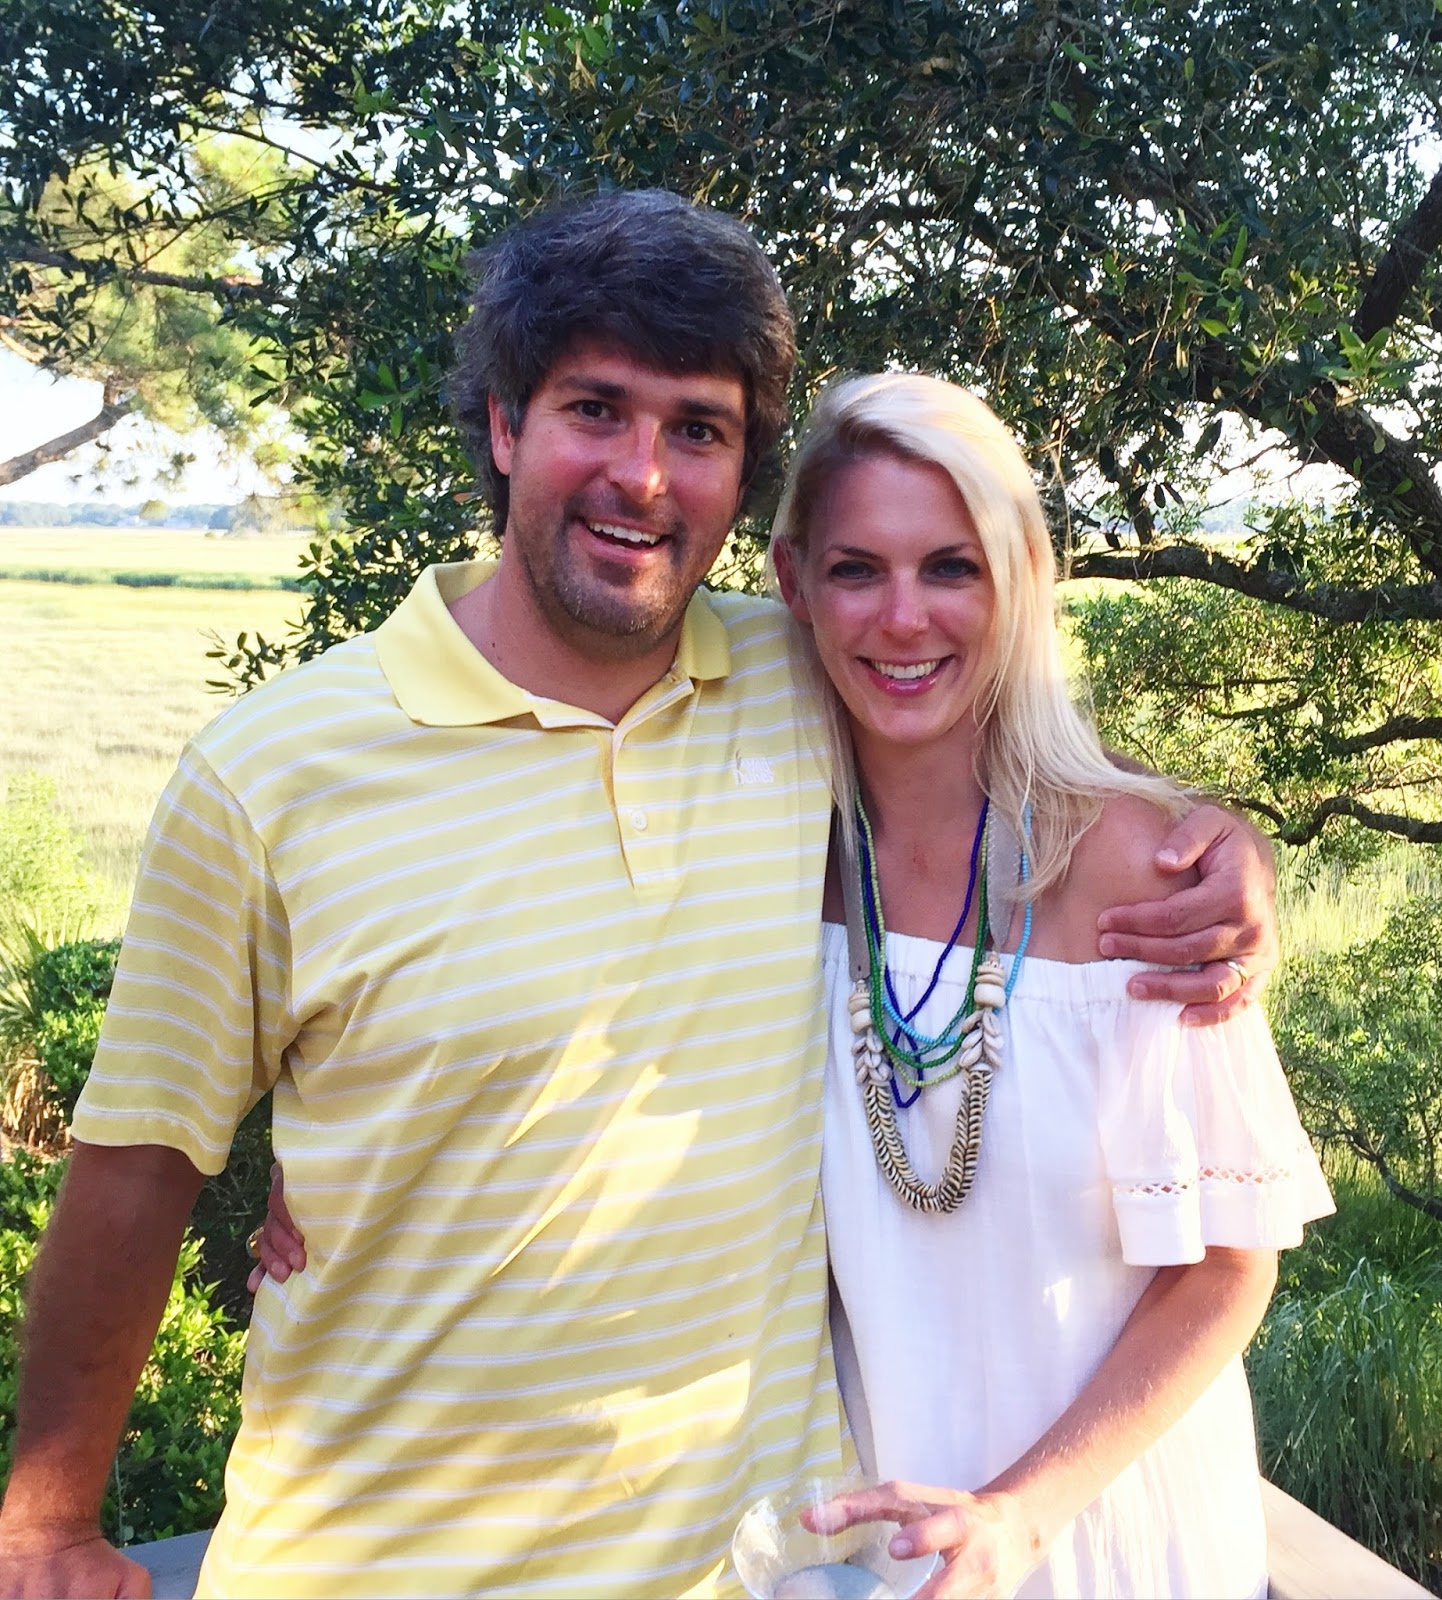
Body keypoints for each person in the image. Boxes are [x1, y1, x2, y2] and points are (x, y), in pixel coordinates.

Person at [0, 192, 1278, 1600]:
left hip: (749, 1566)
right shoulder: (270, 773)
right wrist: (49, 1523)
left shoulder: (793, 679)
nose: (645, 476)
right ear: (505, 424)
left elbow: (986, 734)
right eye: (596, 409)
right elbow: (138, 1164)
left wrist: (1224, 848)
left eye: (699, 430)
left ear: (741, 484)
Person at [764, 373, 1334, 1598]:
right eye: (857, 569)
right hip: (887, 1550)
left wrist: (1020, 1514)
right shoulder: (776, 858)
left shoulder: (1145, 872)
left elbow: (1228, 1267)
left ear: (1021, 575)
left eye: (951, 567)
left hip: (1114, 1539)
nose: (902, 617)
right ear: (791, 581)